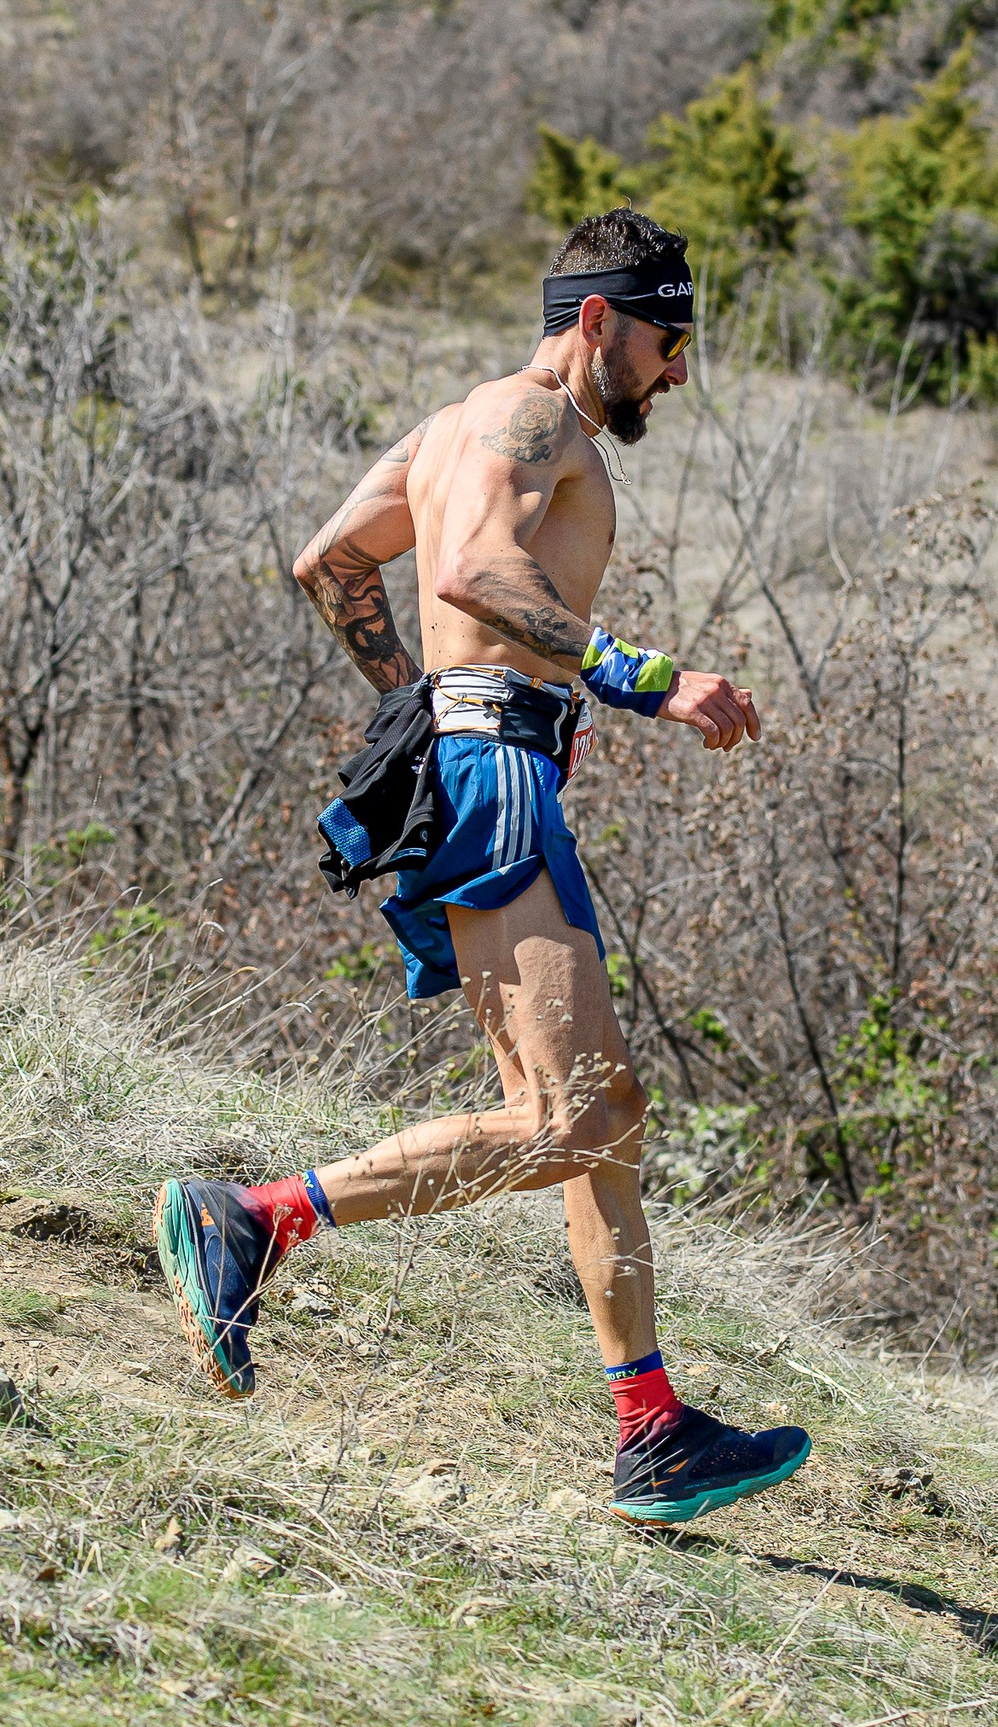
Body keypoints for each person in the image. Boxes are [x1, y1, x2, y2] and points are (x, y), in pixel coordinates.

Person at [151, 210, 811, 1527]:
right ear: (597, 322)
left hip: (474, 753)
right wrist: (650, 680)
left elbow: (331, 563)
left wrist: (419, 695)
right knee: (579, 1117)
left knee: (596, 1126)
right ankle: (255, 1219)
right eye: (668, 342)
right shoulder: (535, 424)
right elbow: (469, 569)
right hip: (499, 771)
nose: (678, 372)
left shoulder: (448, 428)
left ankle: (652, 1431)